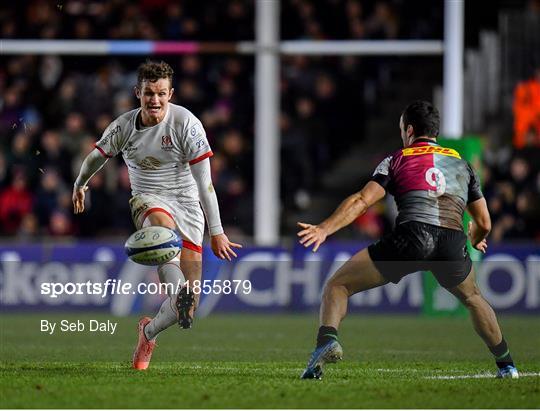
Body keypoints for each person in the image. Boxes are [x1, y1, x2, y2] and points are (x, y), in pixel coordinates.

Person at [297, 100, 519, 380]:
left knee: (337, 285)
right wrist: (476, 236)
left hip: (412, 238)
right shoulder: (463, 165)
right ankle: (507, 365)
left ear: (410, 130)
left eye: (402, 129)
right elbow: (484, 222)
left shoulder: (397, 160)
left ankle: (326, 343)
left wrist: (325, 228)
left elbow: (362, 200)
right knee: (473, 298)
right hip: (451, 242)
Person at [72, 60, 241, 370]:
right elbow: (97, 157)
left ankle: (148, 332)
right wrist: (80, 184)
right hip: (148, 201)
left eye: (162, 93)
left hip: (189, 206)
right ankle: (179, 293)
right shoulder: (124, 126)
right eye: (149, 93)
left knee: (186, 310)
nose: (155, 100)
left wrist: (216, 231)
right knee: (164, 237)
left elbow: (205, 184)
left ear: (171, 93)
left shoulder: (186, 124)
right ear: (138, 93)